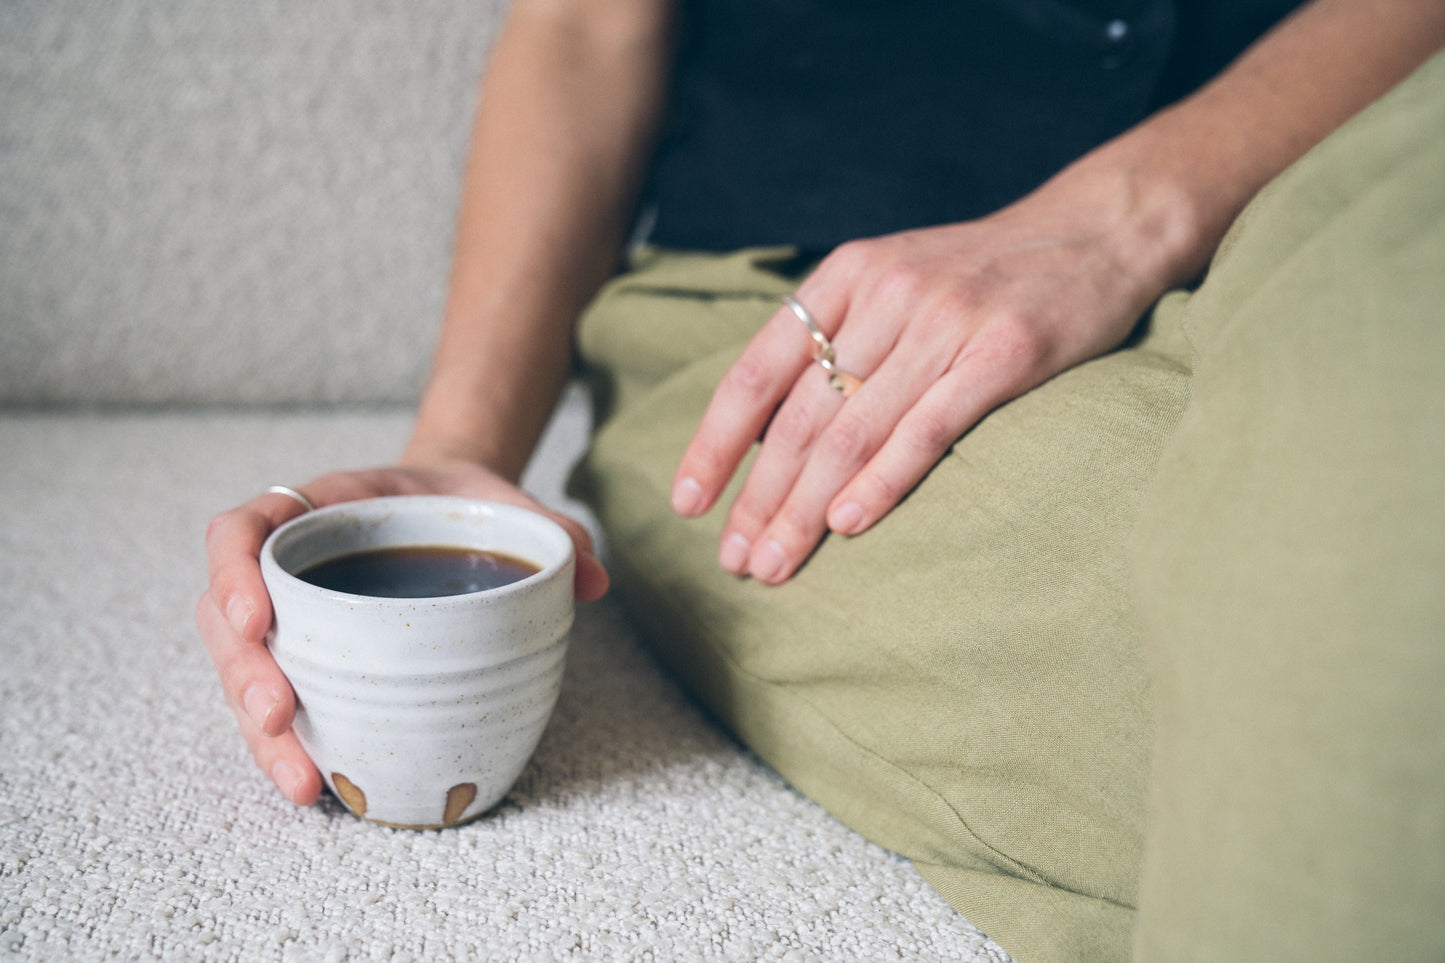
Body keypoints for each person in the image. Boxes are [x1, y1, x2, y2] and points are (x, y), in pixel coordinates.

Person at [199, 2, 1445, 959]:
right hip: (815, 326)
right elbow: (586, 24)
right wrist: (460, 453)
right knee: (1339, 692)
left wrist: (1125, 209)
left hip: (1349, 202)